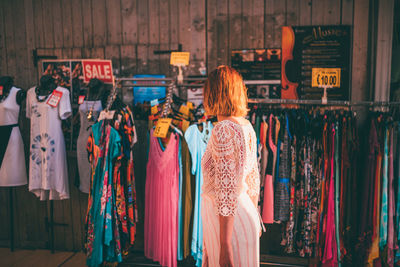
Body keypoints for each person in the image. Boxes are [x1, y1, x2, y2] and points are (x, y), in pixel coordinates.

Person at [201, 65, 262, 267]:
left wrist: (224, 244)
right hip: (244, 218)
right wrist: (255, 215)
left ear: (213, 93)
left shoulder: (223, 130)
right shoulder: (246, 126)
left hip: (228, 227)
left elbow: (226, 191)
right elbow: (253, 180)